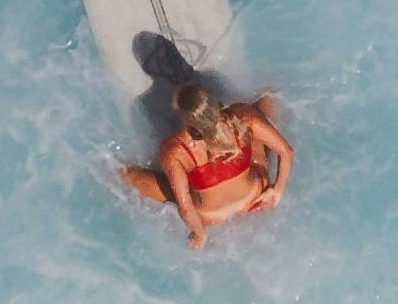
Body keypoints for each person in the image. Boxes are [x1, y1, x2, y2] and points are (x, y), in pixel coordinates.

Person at [120, 30, 292, 247]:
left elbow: (185, 207)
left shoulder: (175, 149)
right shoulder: (242, 117)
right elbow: (287, 152)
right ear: (212, 101)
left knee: (129, 174)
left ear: (182, 116)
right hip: (252, 199)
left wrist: (199, 234)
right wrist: (277, 191)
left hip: (212, 217)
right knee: (266, 99)